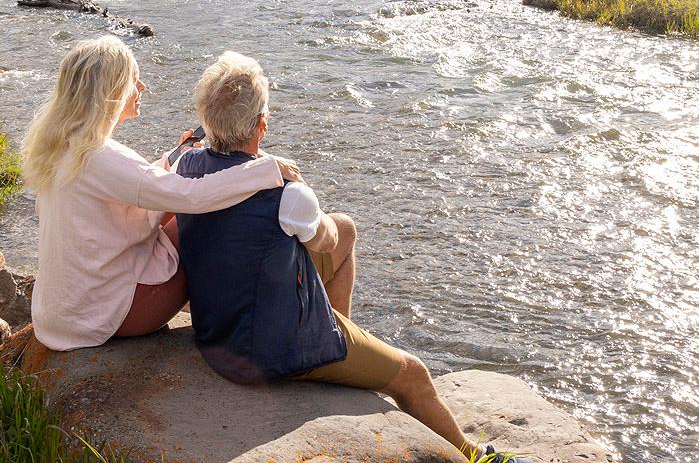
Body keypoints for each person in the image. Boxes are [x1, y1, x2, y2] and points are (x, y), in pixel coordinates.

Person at [174, 52, 530, 463]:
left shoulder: (185, 167)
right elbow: (323, 241)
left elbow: (331, 234)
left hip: (217, 333)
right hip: (266, 352)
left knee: (346, 227)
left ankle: (339, 337)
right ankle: (476, 456)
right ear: (261, 125)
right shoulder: (289, 195)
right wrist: (301, 191)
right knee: (413, 375)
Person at [20, 36, 302, 352]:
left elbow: (136, 184)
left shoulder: (63, 147)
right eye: (133, 81)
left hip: (62, 316)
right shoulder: (99, 156)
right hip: (105, 316)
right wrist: (266, 169)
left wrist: (175, 156)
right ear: (112, 92)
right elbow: (193, 197)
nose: (141, 88)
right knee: (197, 214)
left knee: (179, 196)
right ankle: (245, 313)